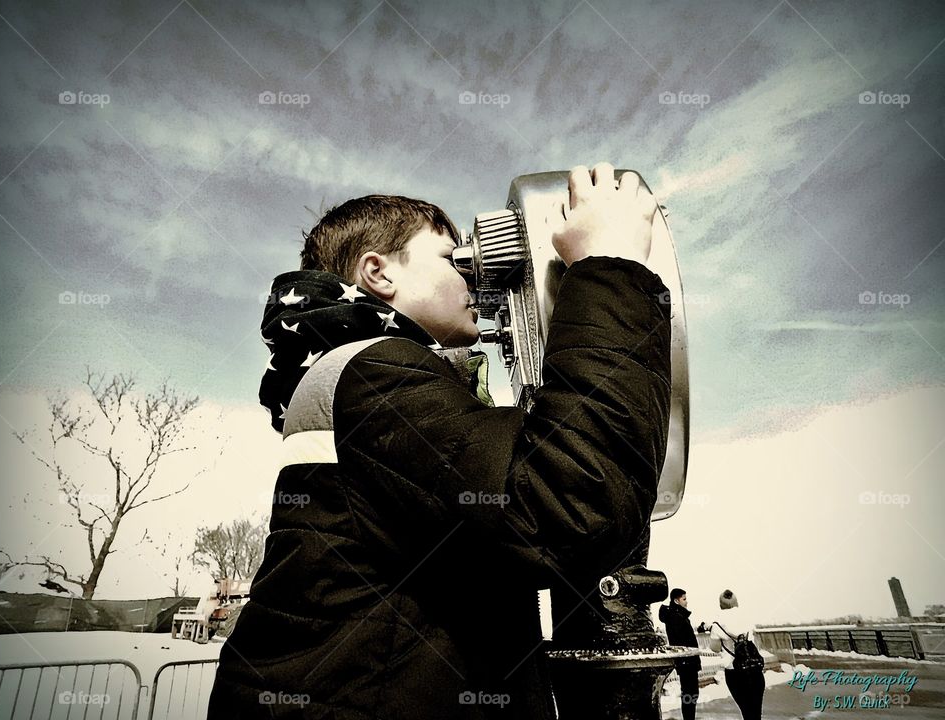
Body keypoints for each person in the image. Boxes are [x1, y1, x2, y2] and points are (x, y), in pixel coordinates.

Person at [207, 163, 673, 719]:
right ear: (378, 274)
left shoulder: (358, 376)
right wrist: (608, 266)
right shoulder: (374, 371)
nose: (474, 276)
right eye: (451, 258)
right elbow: (569, 502)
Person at [709, 589, 766, 720]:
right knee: (756, 711)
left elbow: (715, 649)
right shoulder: (748, 619)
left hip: (734, 673)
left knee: (746, 711)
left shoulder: (717, 625)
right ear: (736, 603)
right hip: (754, 669)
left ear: (720, 605)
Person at [659, 588, 702, 720]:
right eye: (684, 599)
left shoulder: (676, 615)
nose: (686, 602)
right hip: (687, 661)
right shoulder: (676, 617)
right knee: (690, 693)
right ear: (676, 601)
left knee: (690, 693)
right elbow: (682, 640)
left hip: (686, 661)